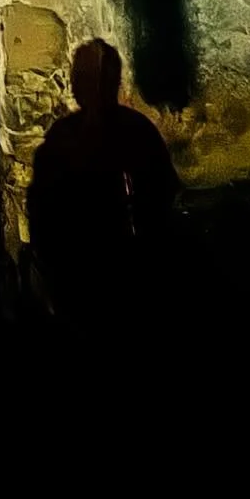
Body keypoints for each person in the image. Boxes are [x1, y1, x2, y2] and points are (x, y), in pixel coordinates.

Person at [25, 39, 179, 330]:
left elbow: (162, 193)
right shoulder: (132, 129)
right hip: (95, 273)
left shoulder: (125, 131)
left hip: (114, 272)